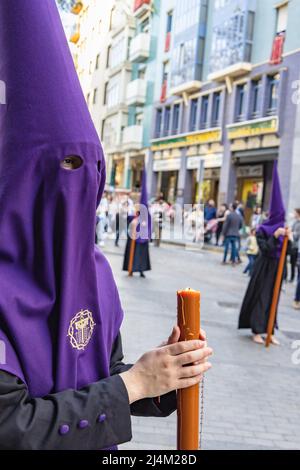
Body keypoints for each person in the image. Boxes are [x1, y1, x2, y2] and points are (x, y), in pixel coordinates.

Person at [0, 1, 213, 450]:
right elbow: (10, 427)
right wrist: (133, 385)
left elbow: (97, 373)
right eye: (62, 167)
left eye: (87, 167)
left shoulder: (93, 272)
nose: (75, 185)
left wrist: (163, 376)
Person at [238, 162, 292, 345]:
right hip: (264, 268)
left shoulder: (284, 229)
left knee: (274, 299)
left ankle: (270, 330)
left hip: (278, 269)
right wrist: (275, 237)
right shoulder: (263, 229)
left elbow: (289, 253)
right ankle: (257, 330)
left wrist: (289, 240)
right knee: (262, 297)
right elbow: (266, 249)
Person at [123, 171, 151, 278]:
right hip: (134, 230)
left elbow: (146, 216)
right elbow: (129, 215)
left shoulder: (144, 203)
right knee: (133, 251)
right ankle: (131, 268)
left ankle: (141, 269)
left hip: (141, 231)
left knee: (141, 253)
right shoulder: (131, 202)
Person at [290, 209, 300, 283]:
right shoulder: (295, 222)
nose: (294, 214)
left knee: (296, 263)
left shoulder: (299, 223)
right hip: (292, 245)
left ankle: (295, 278)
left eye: (295, 213)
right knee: (292, 262)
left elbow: (296, 235)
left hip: (296, 246)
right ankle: (292, 277)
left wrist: (291, 233)